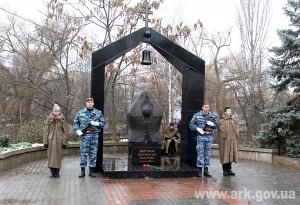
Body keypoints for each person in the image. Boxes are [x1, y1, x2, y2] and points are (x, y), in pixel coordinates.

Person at [73, 97, 105, 178]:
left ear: (93, 103)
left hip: (94, 136)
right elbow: (75, 123)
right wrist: (77, 130)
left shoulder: (98, 113)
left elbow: (103, 123)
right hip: (84, 136)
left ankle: (91, 171)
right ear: (86, 103)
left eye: (91, 102)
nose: (90, 103)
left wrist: (96, 124)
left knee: (93, 154)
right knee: (83, 153)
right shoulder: (80, 113)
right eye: (88, 102)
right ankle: (82, 171)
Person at [189, 102, 217, 178]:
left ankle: (206, 170)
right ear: (202, 108)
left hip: (209, 137)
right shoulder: (197, 115)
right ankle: (199, 169)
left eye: (207, 107)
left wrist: (213, 125)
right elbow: (191, 125)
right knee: (200, 153)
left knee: (207, 154)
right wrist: (197, 128)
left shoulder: (213, 116)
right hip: (201, 137)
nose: (206, 108)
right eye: (205, 107)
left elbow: (216, 126)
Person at [43, 104, 68, 178]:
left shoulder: (62, 120)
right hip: (50, 141)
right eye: (55, 111)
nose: (56, 112)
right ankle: (52, 172)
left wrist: (64, 142)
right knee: (51, 156)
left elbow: (65, 131)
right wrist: (45, 142)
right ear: (52, 111)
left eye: (57, 111)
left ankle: (57, 171)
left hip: (59, 141)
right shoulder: (49, 119)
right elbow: (46, 131)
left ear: (59, 111)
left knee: (58, 157)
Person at [218, 106, 239, 176]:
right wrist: (225, 137)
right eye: (228, 111)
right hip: (225, 141)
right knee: (225, 154)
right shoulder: (222, 120)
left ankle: (229, 169)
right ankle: (224, 170)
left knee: (231, 154)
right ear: (225, 112)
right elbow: (221, 131)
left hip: (232, 141)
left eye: (230, 111)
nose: (230, 112)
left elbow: (236, 129)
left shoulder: (233, 120)